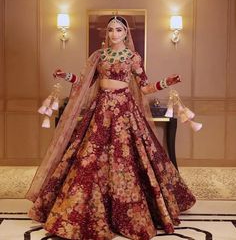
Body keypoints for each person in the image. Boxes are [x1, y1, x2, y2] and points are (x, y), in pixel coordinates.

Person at [26, 16, 196, 240]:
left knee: (128, 158)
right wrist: (65, 75)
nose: (114, 33)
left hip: (125, 110)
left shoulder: (133, 58)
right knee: (88, 157)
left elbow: (144, 88)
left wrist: (167, 82)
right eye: (110, 30)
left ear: (126, 33)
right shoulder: (99, 56)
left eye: (118, 30)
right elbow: (83, 81)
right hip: (101, 109)